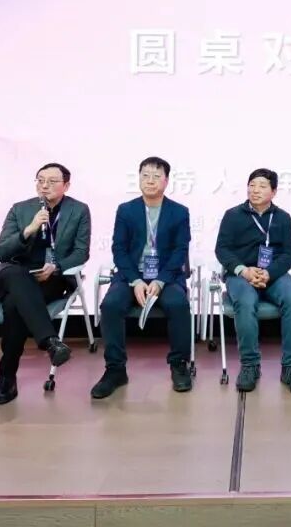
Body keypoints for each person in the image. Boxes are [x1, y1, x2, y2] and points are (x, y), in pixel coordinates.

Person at [92, 157, 193, 399]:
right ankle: (115, 369)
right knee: (110, 305)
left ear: (166, 181)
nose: (150, 181)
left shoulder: (179, 212)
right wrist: (135, 281)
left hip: (166, 277)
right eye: (145, 175)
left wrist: (160, 280)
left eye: (156, 176)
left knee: (178, 305)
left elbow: (180, 251)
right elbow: (119, 249)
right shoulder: (126, 210)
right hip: (131, 276)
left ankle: (179, 365)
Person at [0, 162, 90, 405]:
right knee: (16, 278)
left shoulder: (78, 210)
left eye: (52, 181)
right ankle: (50, 341)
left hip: (49, 278)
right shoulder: (20, 209)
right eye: (40, 180)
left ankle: (6, 375)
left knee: (14, 305)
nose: (45, 186)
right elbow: (1, 252)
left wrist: (57, 267)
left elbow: (81, 252)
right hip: (13, 272)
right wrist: (29, 229)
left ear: (66, 185)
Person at [215, 168, 291, 396]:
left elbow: (289, 254)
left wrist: (269, 273)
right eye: (252, 185)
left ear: (273, 192)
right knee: (246, 301)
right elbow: (222, 249)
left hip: (274, 275)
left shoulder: (283, 218)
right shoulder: (232, 215)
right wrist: (244, 270)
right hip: (241, 274)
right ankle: (250, 365)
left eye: (262, 186)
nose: (255, 190)